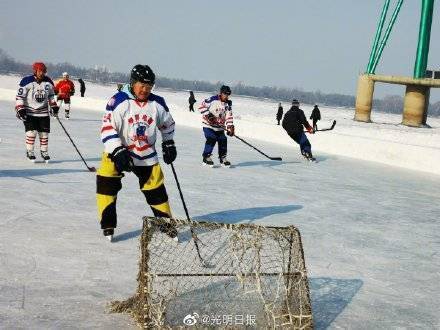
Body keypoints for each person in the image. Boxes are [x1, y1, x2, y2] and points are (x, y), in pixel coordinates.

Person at [96, 64, 177, 242]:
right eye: (142, 85)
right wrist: (117, 150)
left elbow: (168, 125)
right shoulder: (119, 100)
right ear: (133, 83)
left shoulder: (157, 103)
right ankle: (108, 224)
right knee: (106, 181)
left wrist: (169, 142)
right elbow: (108, 128)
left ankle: (165, 224)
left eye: (149, 86)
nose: (145, 90)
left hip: (146, 154)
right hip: (118, 152)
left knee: (156, 188)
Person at [15, 62, 59, 162]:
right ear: (35, 71)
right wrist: (20, 109)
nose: (42, 73)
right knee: (31, 132)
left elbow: (51, 95)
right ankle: (30, 151)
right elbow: (20, 96)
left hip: (43, 112)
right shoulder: (26, 81)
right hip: (29, 112)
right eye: (40, 71)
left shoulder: (48, 82)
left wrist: (54, 106)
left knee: (44, 133)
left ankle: (44, 152)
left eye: (43, 71)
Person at [199, 85, 234, 167]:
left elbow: (229, 116)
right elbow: (201, 107)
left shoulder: (228, 104)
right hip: (208, 125)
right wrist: (209, 115)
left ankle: (222, 158)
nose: (226, 96)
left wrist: (230, 127)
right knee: (211, 138)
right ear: (221, 93)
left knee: (223, 140)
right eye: (225, 94)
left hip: (219, 127)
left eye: (228, 94)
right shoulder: (213, 99)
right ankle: (206, 157)